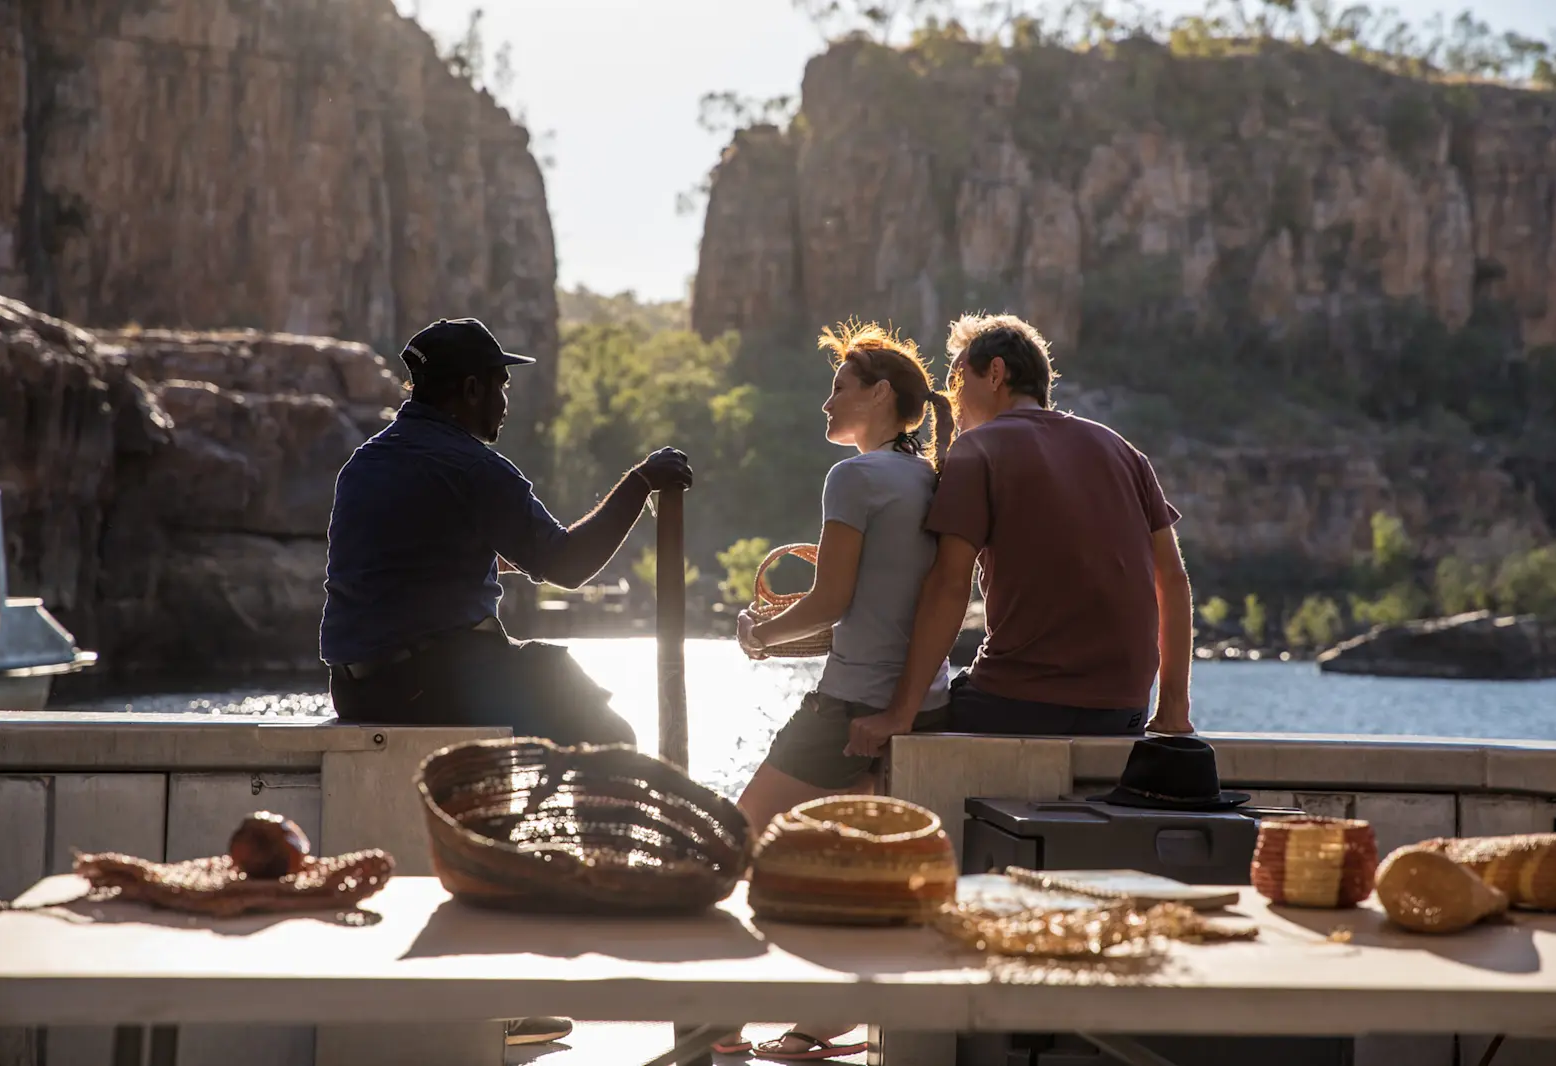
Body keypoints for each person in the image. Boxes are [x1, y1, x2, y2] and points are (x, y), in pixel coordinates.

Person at [318, 317, 692, 1048]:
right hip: (435, 680)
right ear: (469, 389)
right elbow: (568, 564)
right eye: (500, 387)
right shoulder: (471, 466)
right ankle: (610, 906)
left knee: (534, 698)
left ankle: (511, 957)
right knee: (608, 735)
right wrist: (641, 482)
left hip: (359, 687)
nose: (505, 403)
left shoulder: (367, 461)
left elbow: (419, 558)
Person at [715, 321, 954, 1062]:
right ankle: (827, 1017)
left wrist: (759, 635)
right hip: (921, 704)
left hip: (848, 705)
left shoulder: (854, 477)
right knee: (858, 868)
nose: (826, 403)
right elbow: (883, 610)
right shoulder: (929, 479)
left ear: (879, 395)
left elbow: (830, 600)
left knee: (733, 841)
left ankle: (716, 1015)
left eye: (839, 387)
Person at [845, 313, 1194, 762]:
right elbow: (1172, 580)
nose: (951, 399)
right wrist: (1173, 707)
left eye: (957, 380)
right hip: (1121, 712)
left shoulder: (979, 448)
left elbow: (950, 585)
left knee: (881, 730)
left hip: (1016, 703)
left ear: (995, 373)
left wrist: (900, 713)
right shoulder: (1123, 451)